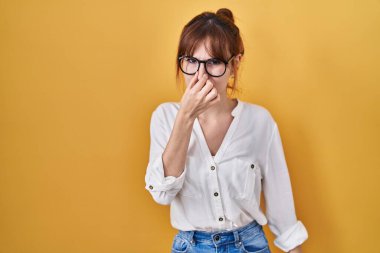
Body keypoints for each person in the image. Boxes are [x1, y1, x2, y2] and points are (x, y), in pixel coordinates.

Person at [144, 8, 308, 253]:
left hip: (249, 245)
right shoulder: (165, 118)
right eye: (191, 61)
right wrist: (186, 117)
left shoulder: (259, 122)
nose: (200, 75)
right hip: (191, 246)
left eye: (213, 62)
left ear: (234, 64)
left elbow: (284, 216)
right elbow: (162, 194)